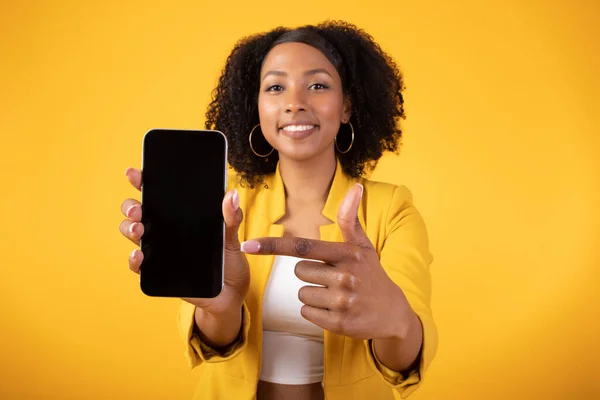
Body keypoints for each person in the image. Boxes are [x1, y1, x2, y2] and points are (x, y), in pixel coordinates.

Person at [119, 21, 437, 400]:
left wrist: (397, 322)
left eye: (317, 85)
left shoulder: (392, 208)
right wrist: (222, 309)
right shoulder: (226, 205)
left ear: (347, 105)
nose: (294, 102)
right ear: (257, 107)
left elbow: (405, 361)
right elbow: (215, 346)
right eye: (275, 87)